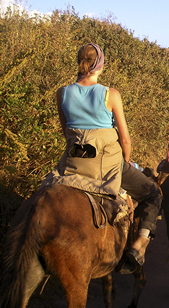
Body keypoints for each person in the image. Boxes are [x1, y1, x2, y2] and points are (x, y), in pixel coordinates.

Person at [51, 43, 162, 271]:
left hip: (73, 162)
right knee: (153, 194)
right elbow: (125, 139)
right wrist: (127, 161)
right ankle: (139, 246)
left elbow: (67, 134)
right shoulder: (110, 94)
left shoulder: (62, 93)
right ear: (100, 64)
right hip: (107, 164)